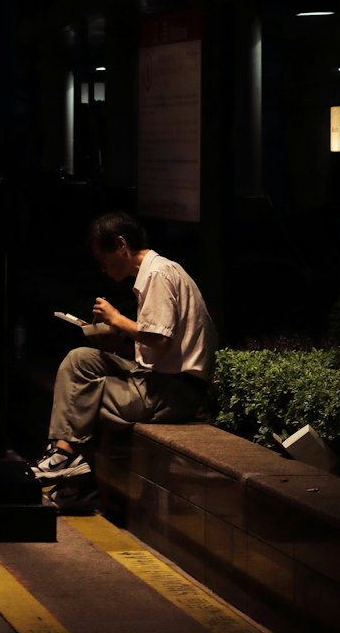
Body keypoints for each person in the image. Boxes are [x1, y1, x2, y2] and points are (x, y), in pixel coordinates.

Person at [32, 211, 217, 493]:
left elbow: (160, 338)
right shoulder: (153, 273)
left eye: (103, 260)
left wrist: (116, 319)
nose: (103, 269)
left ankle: (66, 462)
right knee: (79, 360)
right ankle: (65, 456)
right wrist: (114, 340)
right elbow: (156, 344)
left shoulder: (158, 273)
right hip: (156, 379)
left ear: (121, 245)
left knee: (83, 394)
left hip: (174, 391)